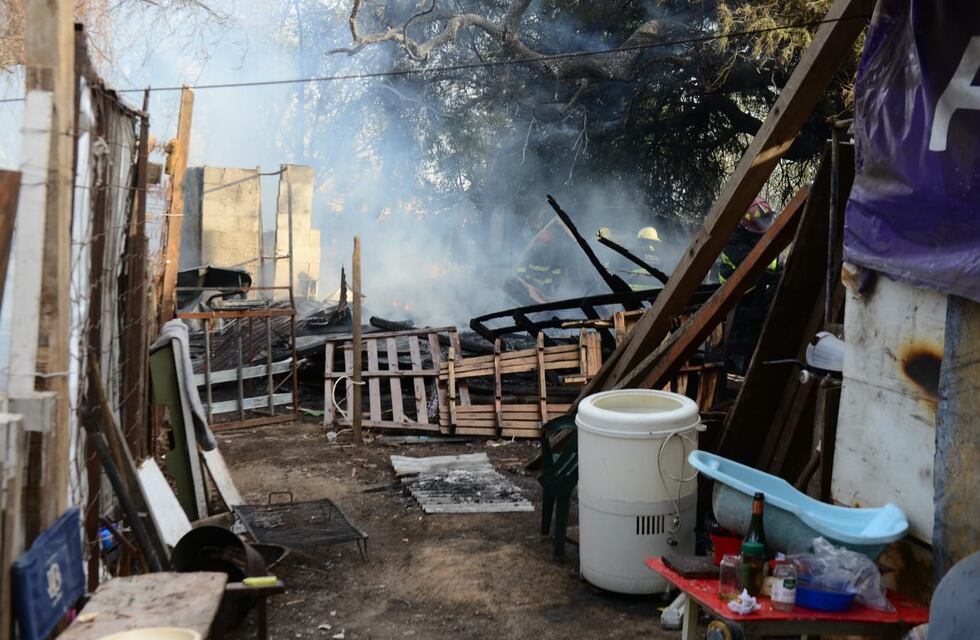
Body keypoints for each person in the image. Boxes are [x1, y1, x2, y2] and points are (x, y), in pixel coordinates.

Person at [720, 197, 781, 374]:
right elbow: (753, 266)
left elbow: (776, 266)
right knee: (737, 360)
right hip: (737, 306)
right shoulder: (734, 243)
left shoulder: (764, 240)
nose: (764, 227)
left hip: (756, 303)